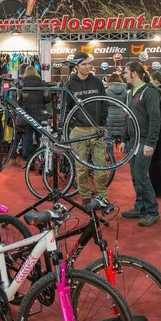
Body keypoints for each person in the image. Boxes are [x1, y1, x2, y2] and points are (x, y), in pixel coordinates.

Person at [67, 51, 111, 208]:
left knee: (100, 168)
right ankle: (85, 197)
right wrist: (68, 129)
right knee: (82, 168)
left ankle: (102, 198)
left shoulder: (97, 82)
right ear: (77, 65)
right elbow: (66, 109)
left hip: (96, 130)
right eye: (84, 64)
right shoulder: (69, 84)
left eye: (89, 63)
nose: (88, 67)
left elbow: (104, 103)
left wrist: (102, 125)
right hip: (78, 131)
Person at [121, 61, 161, 227]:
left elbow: (155, 118)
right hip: (133, 141)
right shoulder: (130, 93)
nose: (123, 75)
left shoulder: (149, 92)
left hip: (144, 140)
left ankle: (152, 211)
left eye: (125, 72)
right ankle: (140, 207)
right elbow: (128, 117)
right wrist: (124, 139)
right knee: (135, 177)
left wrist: (150, 143)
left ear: (134, 74)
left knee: (141, 176)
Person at [19, 65, 51, 168]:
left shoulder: (22, 84)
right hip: (40, 114)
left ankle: (29, 162)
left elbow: (19, 101)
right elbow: (48, 99)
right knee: (40, 139)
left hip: (26, 114)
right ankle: (42, 161)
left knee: (27, 138)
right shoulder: (42, 83)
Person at [9, 63, 27, 166]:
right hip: (23, 111)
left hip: (16, 113)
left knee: (16, 137)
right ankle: (24, 160)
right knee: (25, 136)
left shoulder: (14, 82)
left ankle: (12, 158)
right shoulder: (24, 83)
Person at [106, 72, 128, 142]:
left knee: (109, 140)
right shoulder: (125, 91)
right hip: (122, 116)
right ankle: (128, 152)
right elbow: (127, 104)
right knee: (124, 139)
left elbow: (104, 105)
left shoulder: (106, 91)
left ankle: (110, 153)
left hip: (110, 116)